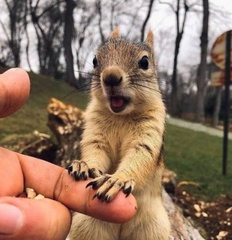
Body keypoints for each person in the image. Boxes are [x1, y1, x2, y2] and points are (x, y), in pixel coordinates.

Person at [0, 68, 137, 240]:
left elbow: (144, 152)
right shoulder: (96, 110)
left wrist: (124, 176)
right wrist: (90, 168)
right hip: (99, 207)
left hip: (143, 214)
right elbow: (96, 146)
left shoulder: (153, 113)